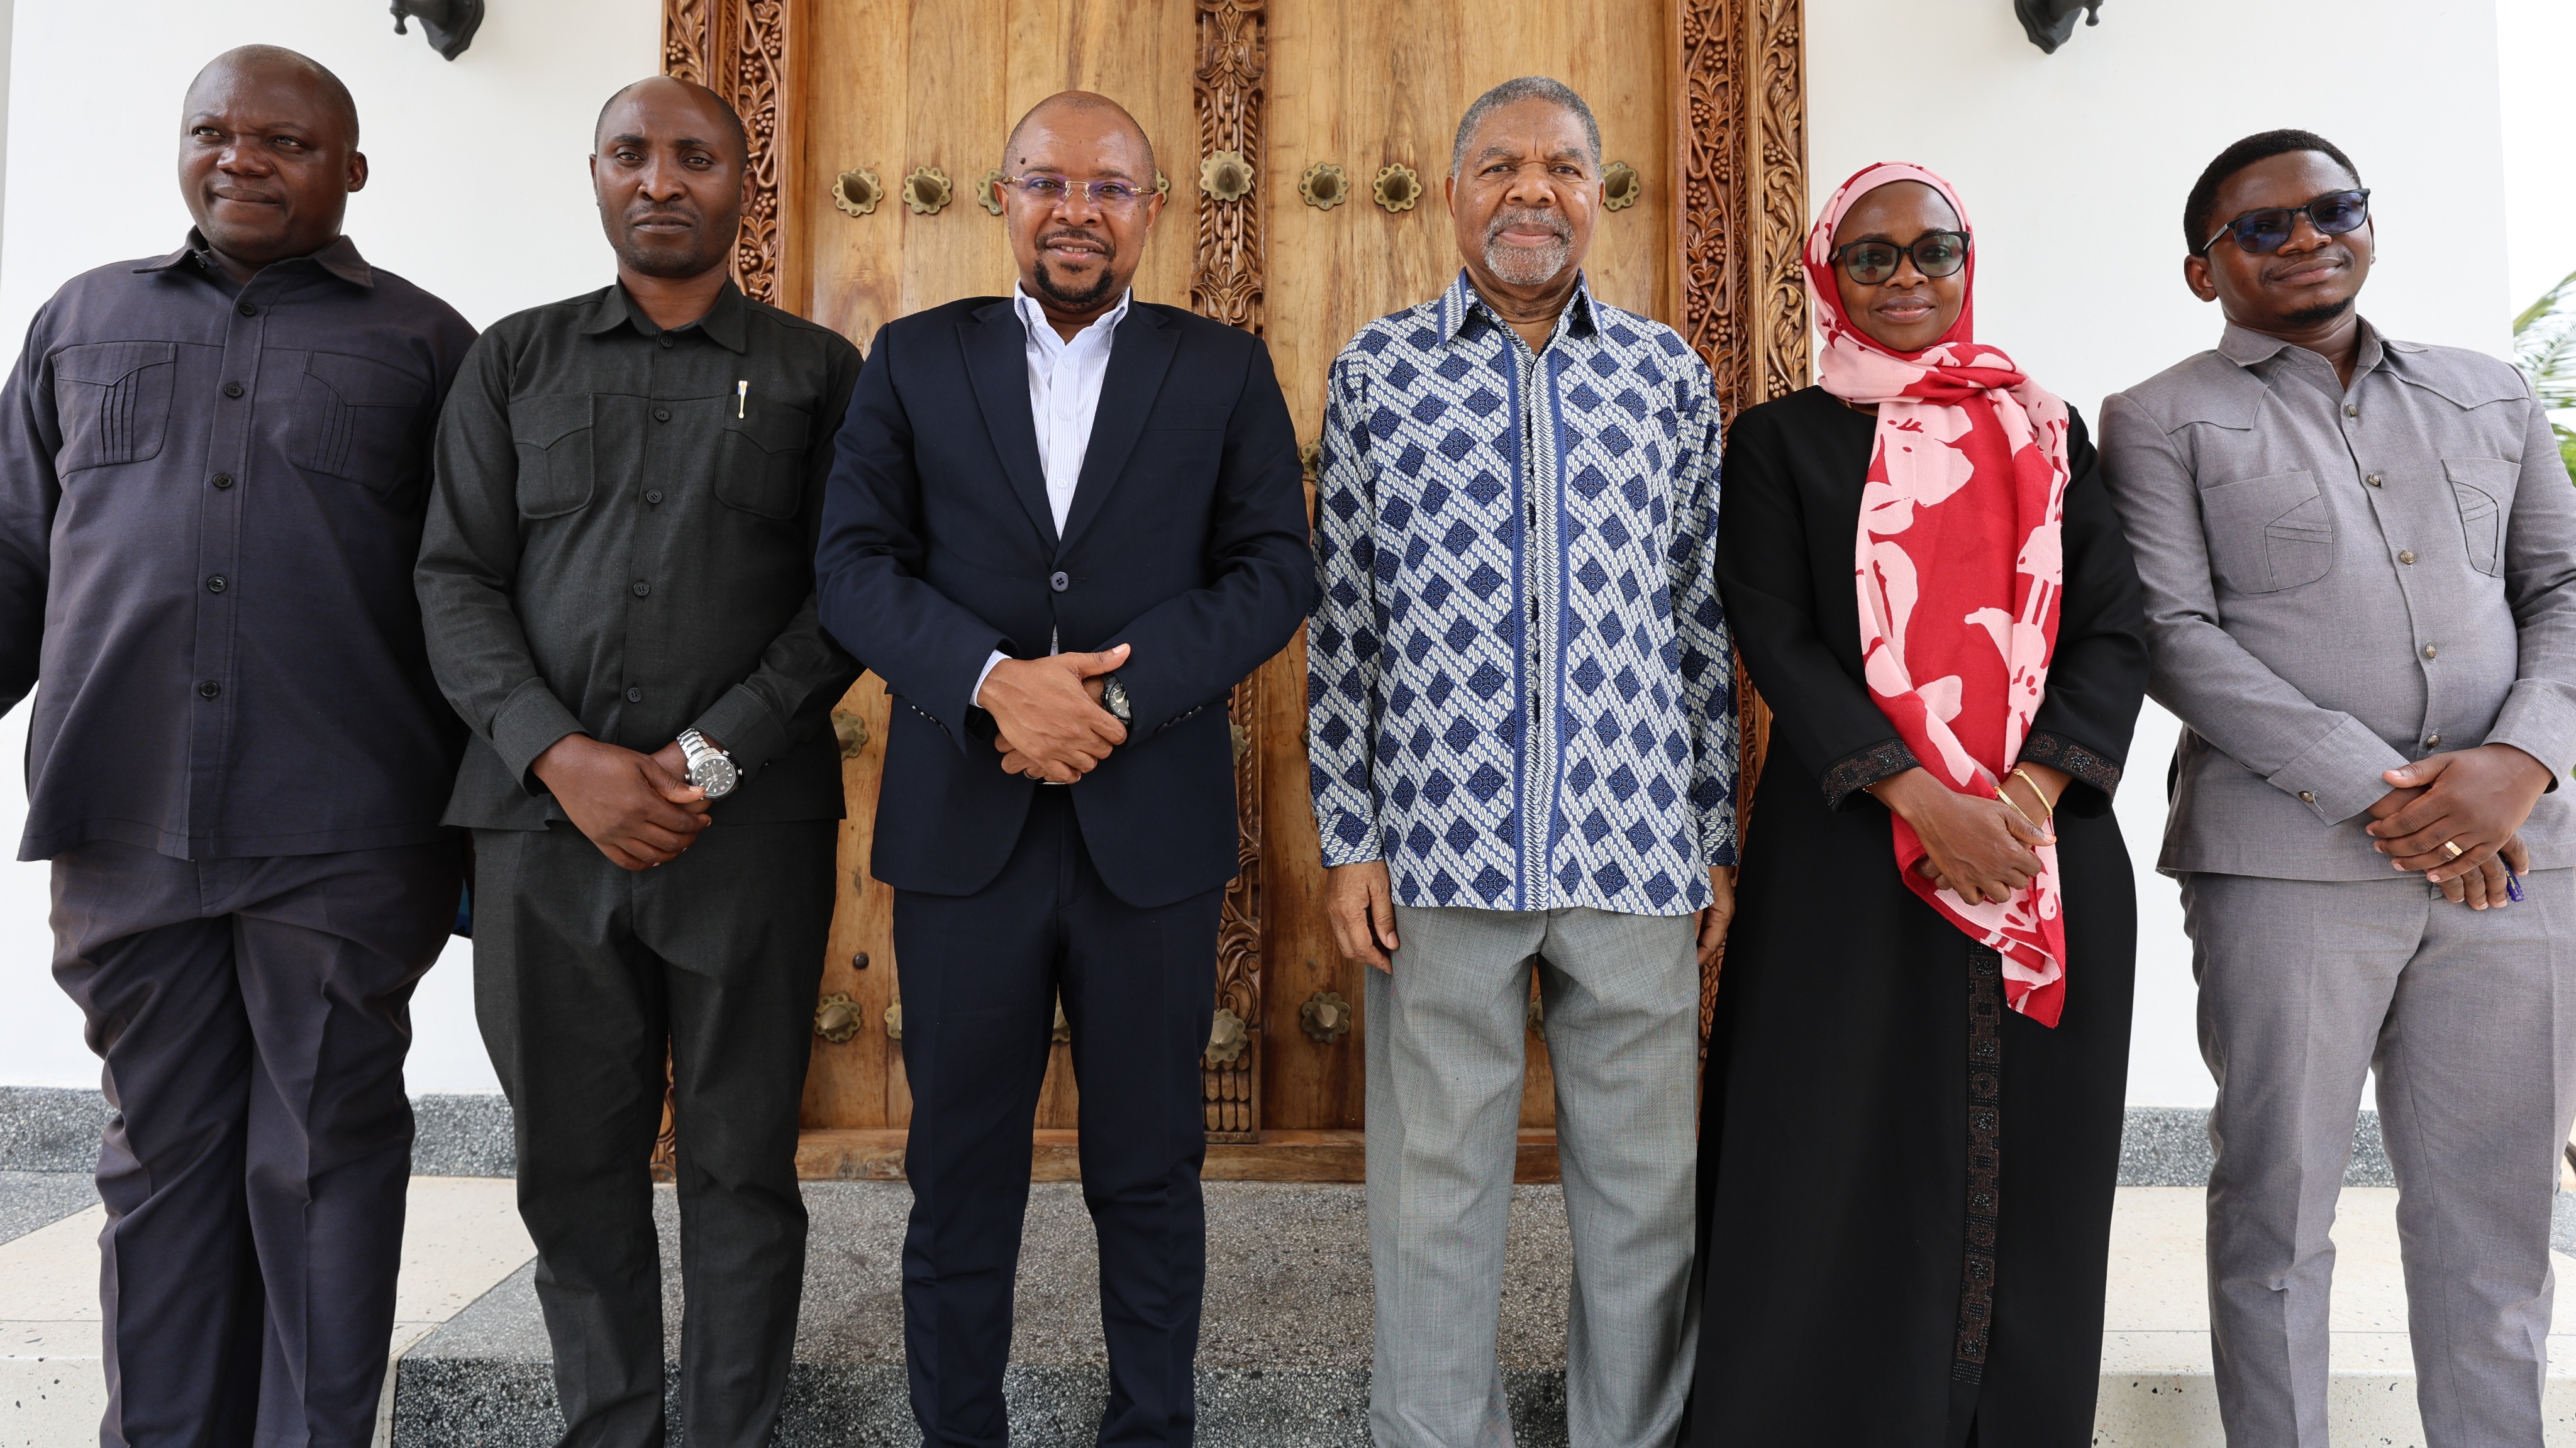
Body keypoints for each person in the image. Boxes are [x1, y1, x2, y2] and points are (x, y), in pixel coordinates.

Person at [813, 91, 1311, 1447]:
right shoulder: (914, 359)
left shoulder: (1220, 370)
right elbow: (852, 566)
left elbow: (1274, 571)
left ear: (1151, 209)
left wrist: (1112, 703)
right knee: (957, 1173)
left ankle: (1150, 1430)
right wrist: (993, 685)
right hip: (961, 836)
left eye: (1108, 187)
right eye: (1046, 181)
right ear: (1003, 197)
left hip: (1146, 838)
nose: (1075, 210)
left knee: (1149, 1172)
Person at [0, 46, 475, 1446]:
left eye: (284, 140)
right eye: (213, 131)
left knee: (322, 1162)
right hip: (123, 816)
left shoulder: (428, 345)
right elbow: (17, 553)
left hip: (345, 832)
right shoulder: (81, 321)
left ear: (353, 168)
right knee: (157, 1161)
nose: (242, 159)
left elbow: (469, 594)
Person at [2099, 130, 2576, 1448]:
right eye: (2262, 227)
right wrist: (2392, 799)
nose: (2306, 238)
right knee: (2277, 1206)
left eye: (2332, 209)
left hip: (2518, 861)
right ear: (2204, 270)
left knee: (2494, 1215)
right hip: (2286, 867)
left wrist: (2520, 763)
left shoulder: (2489, 395)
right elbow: (2171, 634)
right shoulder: (2156, 418)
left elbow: (2561, 587)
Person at [413, 76, 862, 1448]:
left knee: (741, 1162)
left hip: (748, 835)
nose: (660, 179)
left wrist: (710, 757)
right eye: (630, 153)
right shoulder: (511, 361)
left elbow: (849, 592)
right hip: (541, 835)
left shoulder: (817, 373)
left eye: (693, 157)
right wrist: (560, 756)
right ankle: (607, 1429)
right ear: (597, 174)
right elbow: (454, 579)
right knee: (571, 1166)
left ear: (743, 182)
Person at [1304, 75, 1734, 1448]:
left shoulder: (1666, 375)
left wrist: (1712, 839)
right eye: (1498, 166)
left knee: (1644, 1198)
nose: (1530, 192)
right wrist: (1349, 836)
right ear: (1451, 193)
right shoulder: (1378, 372)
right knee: (1431, 1197)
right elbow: (1346, 622)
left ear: (1598, 196)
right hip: (1438, 851)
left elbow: (1697, 622)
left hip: (1633, 854)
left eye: (1560, 167)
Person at [1691, 162, 2150, 1445]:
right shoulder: (1779, 440)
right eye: (1871, 255)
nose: (1906, 277)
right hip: (1848, 846)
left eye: (1932, 250)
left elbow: (2114, 630)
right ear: (1826, 275)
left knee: (2036, 1164)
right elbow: (1775, 634)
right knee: (1825, 1144)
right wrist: (1918, 798)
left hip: (2037, 849)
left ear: (1966, 261)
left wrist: (2021, 796)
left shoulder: (2048, 431)